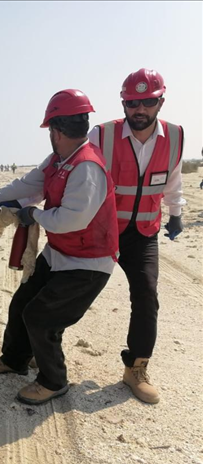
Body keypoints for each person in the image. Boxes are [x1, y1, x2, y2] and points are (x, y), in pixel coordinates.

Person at [0, 89, 119, 405]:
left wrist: (33, 213)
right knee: (22, 301)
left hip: (89, 263)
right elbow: (26, 185)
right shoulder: (59, 159)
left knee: (42, 316)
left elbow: (70, 220)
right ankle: (15, 358)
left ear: (56, 130)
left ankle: (53, 380)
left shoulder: (86, 167)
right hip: (60, 253)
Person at [88, 68, 185, 404]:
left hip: (144, 233)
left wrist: (176, 213)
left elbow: (173, 179)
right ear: (124, 103)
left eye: (147, 102)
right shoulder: (101, 134)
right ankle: (26, 353)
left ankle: (136, 367)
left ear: (160, 101)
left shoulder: (175, 136)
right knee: (64, 286)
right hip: (102, 231)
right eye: (132, 102)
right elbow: (82, 177)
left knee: (146, 294)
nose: (139, 109)